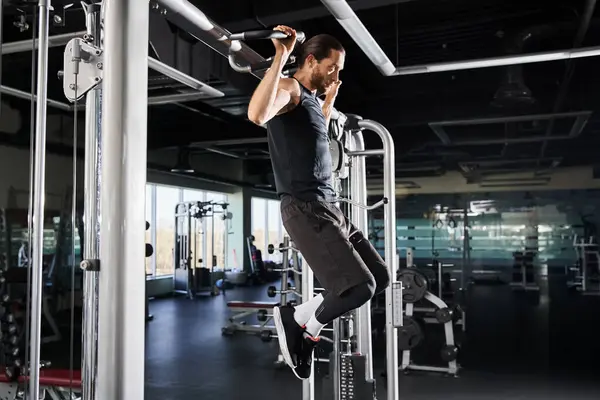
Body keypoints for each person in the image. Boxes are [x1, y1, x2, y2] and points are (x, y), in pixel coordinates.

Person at [247, 26, 390, 380]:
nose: (336, 75)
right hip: (306, 207)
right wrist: (280, 56)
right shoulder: (289, 88)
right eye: (333, 67)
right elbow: (257, 115)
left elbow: (313, 135)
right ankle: (306, 327)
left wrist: (328, 104)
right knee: (360, 287)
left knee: (381, 277)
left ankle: (298, 317)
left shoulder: (309, 98)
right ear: (310, 60)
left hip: (329, 207)